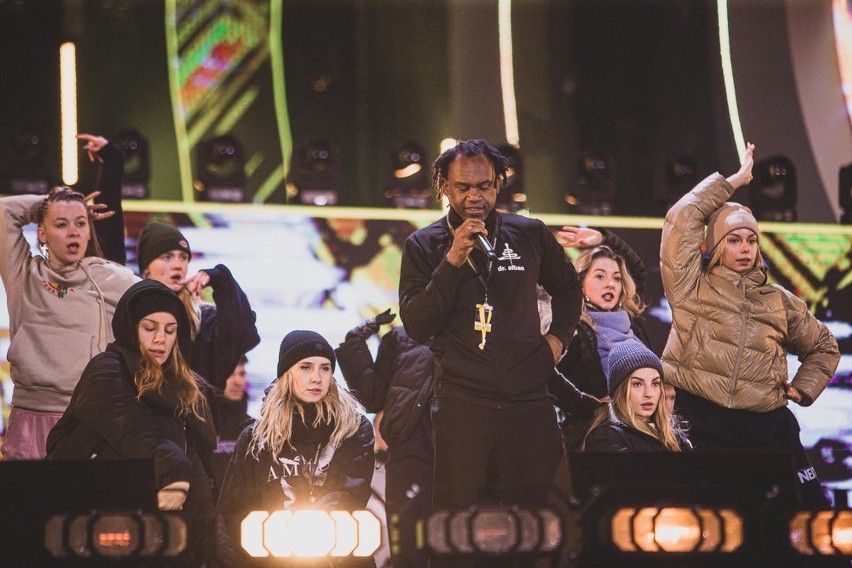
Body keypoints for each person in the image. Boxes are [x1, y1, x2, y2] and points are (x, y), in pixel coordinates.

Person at [398, 139, 582, 548]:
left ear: (498, 184)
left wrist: (556, 343)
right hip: (464, 404)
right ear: (443, 185)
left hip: (528, 401)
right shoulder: (424, 245)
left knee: (540, 525)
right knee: (458, 531)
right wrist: (452, 261)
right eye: (463, 187)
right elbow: (416, 324)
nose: (474, 196)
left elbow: (569, 290)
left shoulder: (529, 232)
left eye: (483, 186)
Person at [660, 142, 840, 508]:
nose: (744, 248)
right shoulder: (690, 285)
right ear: (715, 246)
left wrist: (803, 388)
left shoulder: (779, 300)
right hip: (702, 422)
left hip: (765, 428)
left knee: (804, 529)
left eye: (751, 240)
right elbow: (681, 219)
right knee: (715, 532)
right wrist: (733, 182)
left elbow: (824, 346)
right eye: (734, 239)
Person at [45, 280, 222, 565]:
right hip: (91, 522)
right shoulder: (106, 369)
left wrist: (215, 556)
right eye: (149, 328)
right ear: (131, 328)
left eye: (170, 330)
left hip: (153, 534)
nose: (160, 339)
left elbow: (198, 484)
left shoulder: (184, 389)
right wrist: (173, 466)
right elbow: (131, 427)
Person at [0, 134, 139, 460]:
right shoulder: (24, 273)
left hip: (88, 421)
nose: (73, 230)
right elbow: (3, 212)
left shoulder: (110, 276)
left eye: (80, 223)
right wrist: (47, 206)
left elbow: (157, 306)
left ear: (90, 228)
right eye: (61, 225)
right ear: (42, 233)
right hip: (28, 421)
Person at [218, 330, 376, 567]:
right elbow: (233, 510)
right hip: (270, 558)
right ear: (286, 373)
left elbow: (351, 495)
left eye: (325, 368)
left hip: (338, 556)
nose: (317, 377)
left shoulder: (353, 429)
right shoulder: (256, 438)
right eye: (305, 367)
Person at [335, 309, 434, 568]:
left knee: (458, 542)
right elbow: (373, 396)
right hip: (409, 454)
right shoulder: (399, 339)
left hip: (463, 450)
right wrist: (354, 343)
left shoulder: (477, 329)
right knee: (408, 548)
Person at [555, 226, 654, 450]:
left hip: (641, 431)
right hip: (593, 437)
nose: (610, 283)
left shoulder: (633, 324)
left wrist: (603, 238)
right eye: (599, 276)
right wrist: (594, 408)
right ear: (580, 282)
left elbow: (636, 269)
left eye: (617, 278)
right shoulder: (573, 328)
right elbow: (550, 380)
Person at [134, 221, 260, 392]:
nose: (178, 265)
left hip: (197, 415)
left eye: (183, 257)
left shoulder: (203, 318)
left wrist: (222, 280)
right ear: (147, 268)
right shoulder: (129, 315)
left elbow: (242, 336)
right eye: (167, 257)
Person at [583, 339, 689, 452]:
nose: (649, 394)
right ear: (620, 390)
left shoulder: (674, 433)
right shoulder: (606, 437)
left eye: (655, 383)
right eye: (637, 384)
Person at [209, 354, 254, 500]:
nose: (238, 382)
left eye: (241, 374)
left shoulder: (254, 428)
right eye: (230, 374)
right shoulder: (202, 425)